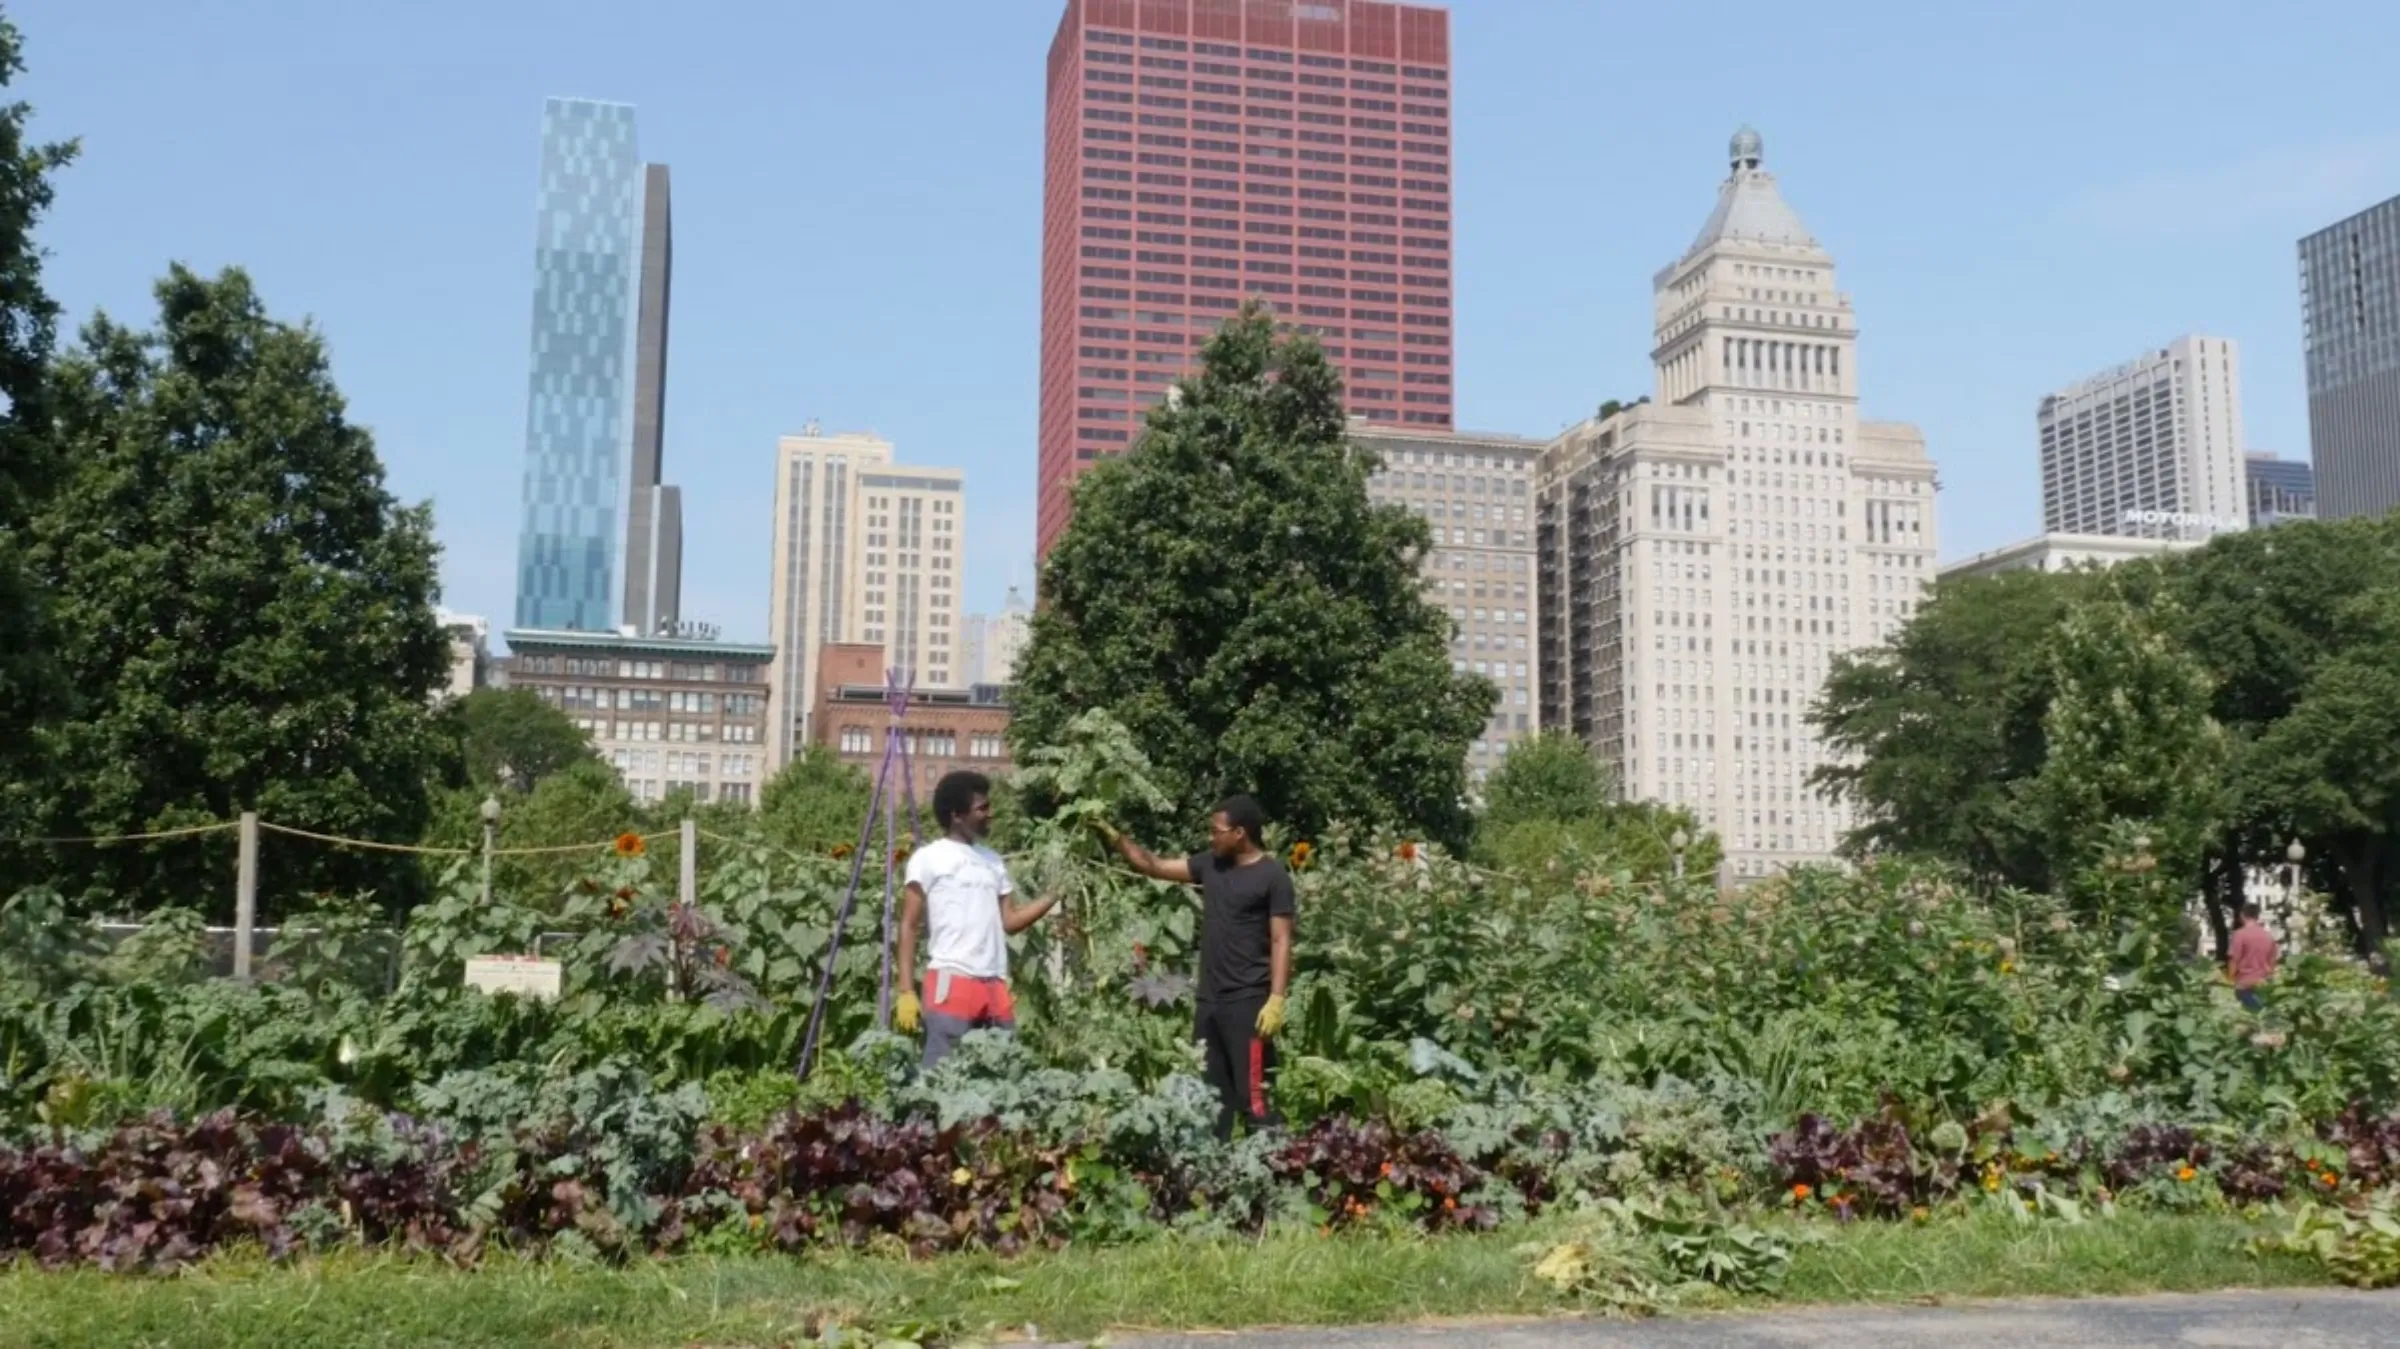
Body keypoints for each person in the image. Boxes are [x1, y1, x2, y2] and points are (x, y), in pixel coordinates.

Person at [1103, 795, 1295, 1139]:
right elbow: (1153, 865)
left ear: (1239, 832)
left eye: (1215, 830)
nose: (1210, 837)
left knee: (1255, 1097)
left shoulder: (1273, 876)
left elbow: (1281, 940)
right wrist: (1114, 835)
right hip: (1210, 1002)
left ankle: (1270, 1167)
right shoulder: (1211, 865)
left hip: (1249, 1003)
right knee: (1211, 1096)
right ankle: (1215, 1169)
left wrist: (1276, 998)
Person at [893, 771, 1058, 1068]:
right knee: (942, 1078)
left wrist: (1052, 897)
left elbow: (1009, 921)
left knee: (1003, 1075)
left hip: (994, 985)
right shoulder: (929, 858)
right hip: (951, 981)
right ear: (956, 815)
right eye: (982, 808)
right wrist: (906, 991)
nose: (989, 814)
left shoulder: (993, 861)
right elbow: (908, 924)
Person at [2227, 902, 2280, 1012]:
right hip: (2263, 985)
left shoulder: (2239, 935)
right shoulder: (2268, 936)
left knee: (2248, 1020)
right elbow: (2272, 962)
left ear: (2242, 915)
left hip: (2244, 985)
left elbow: (2234, 961)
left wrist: (2230, 980)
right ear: (2257, 916)